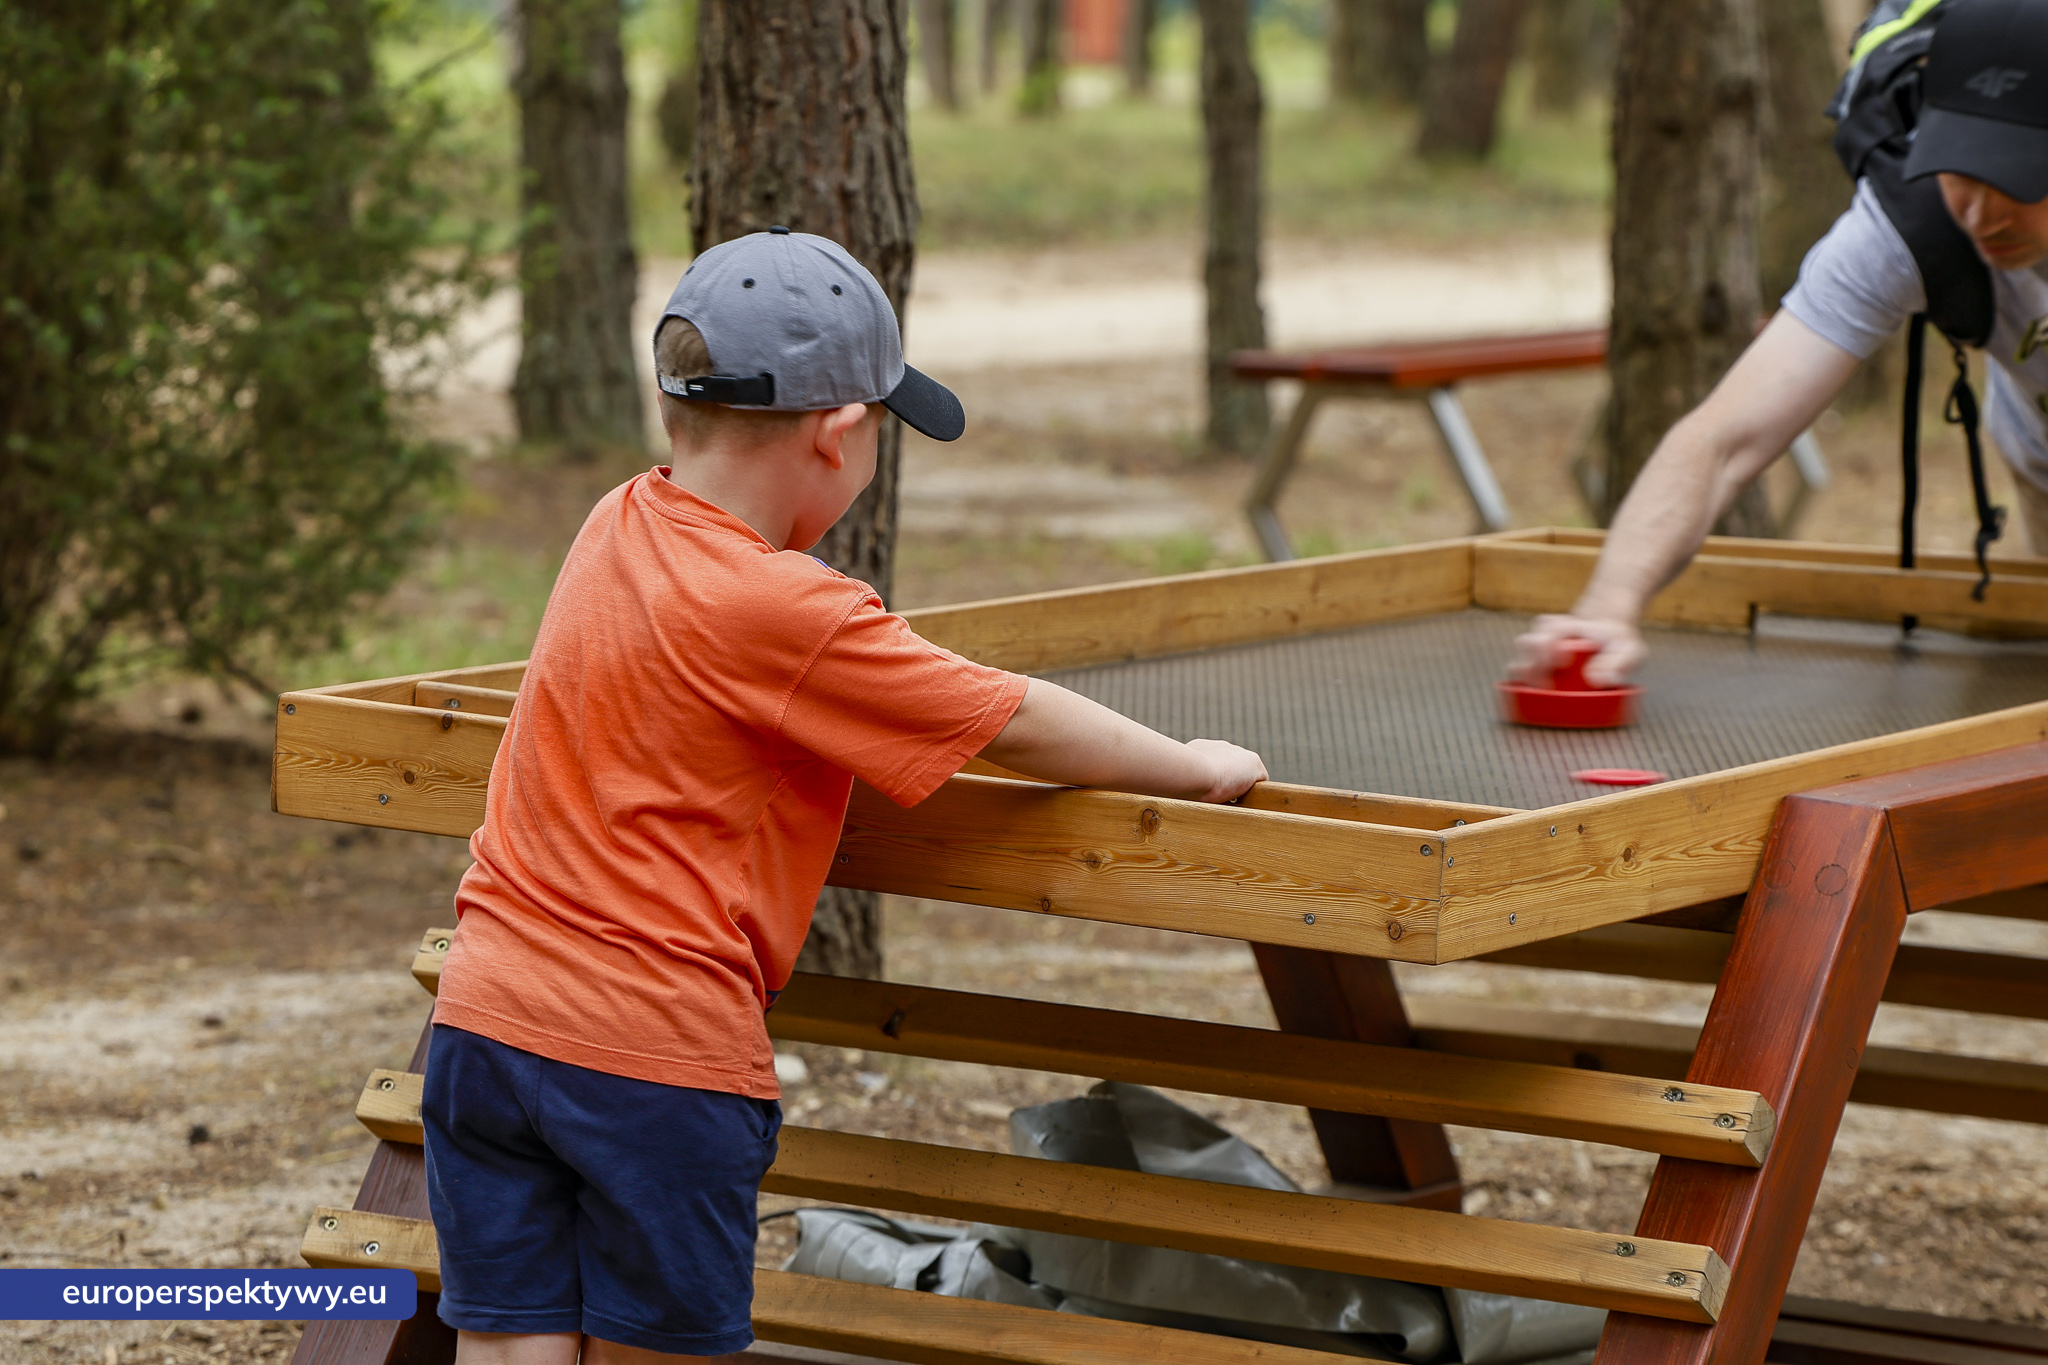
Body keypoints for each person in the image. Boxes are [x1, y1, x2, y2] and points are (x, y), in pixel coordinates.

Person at [419, 228, 1268, 1365]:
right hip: (648, 1060)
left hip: (482, 1024)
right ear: (838, 435)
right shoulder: (790, 612)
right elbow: (1006, 719)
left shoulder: (616, 522)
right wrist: (1193, 764)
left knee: (508, 1343)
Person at [1517, 0, 2048, 686]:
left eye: (2013, 174)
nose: (1979, 212)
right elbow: (1721, 442)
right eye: (1958, 168)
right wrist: (1608, 607)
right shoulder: (1906, 225)